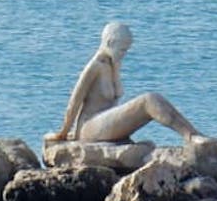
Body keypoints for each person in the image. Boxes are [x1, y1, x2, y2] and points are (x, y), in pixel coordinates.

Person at [48, 22, 208, 144]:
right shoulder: (94, 67)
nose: (125, 54)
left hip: (105, 121)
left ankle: (192, 133)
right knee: (148, 100)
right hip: (89, 128)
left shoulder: (113, 64)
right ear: (110, 43)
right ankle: (189, 135)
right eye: (123, 50)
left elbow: (114, 97)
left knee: (154, 100)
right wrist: (64, 133)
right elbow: (74, 102)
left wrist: (116, 68)